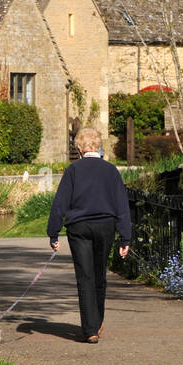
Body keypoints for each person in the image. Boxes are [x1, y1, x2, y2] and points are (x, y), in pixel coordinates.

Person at [47, 126, 131, 343]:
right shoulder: (111, 170)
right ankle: (98, 320)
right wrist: (125, 237)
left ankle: (90, 328)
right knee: (99, 275)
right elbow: (122, 205)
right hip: (105, 225)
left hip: (80, 228)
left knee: (84, 277)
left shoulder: (73, 171)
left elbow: (60, 204)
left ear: (80, 148)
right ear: (98, 145)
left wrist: (53, 233)